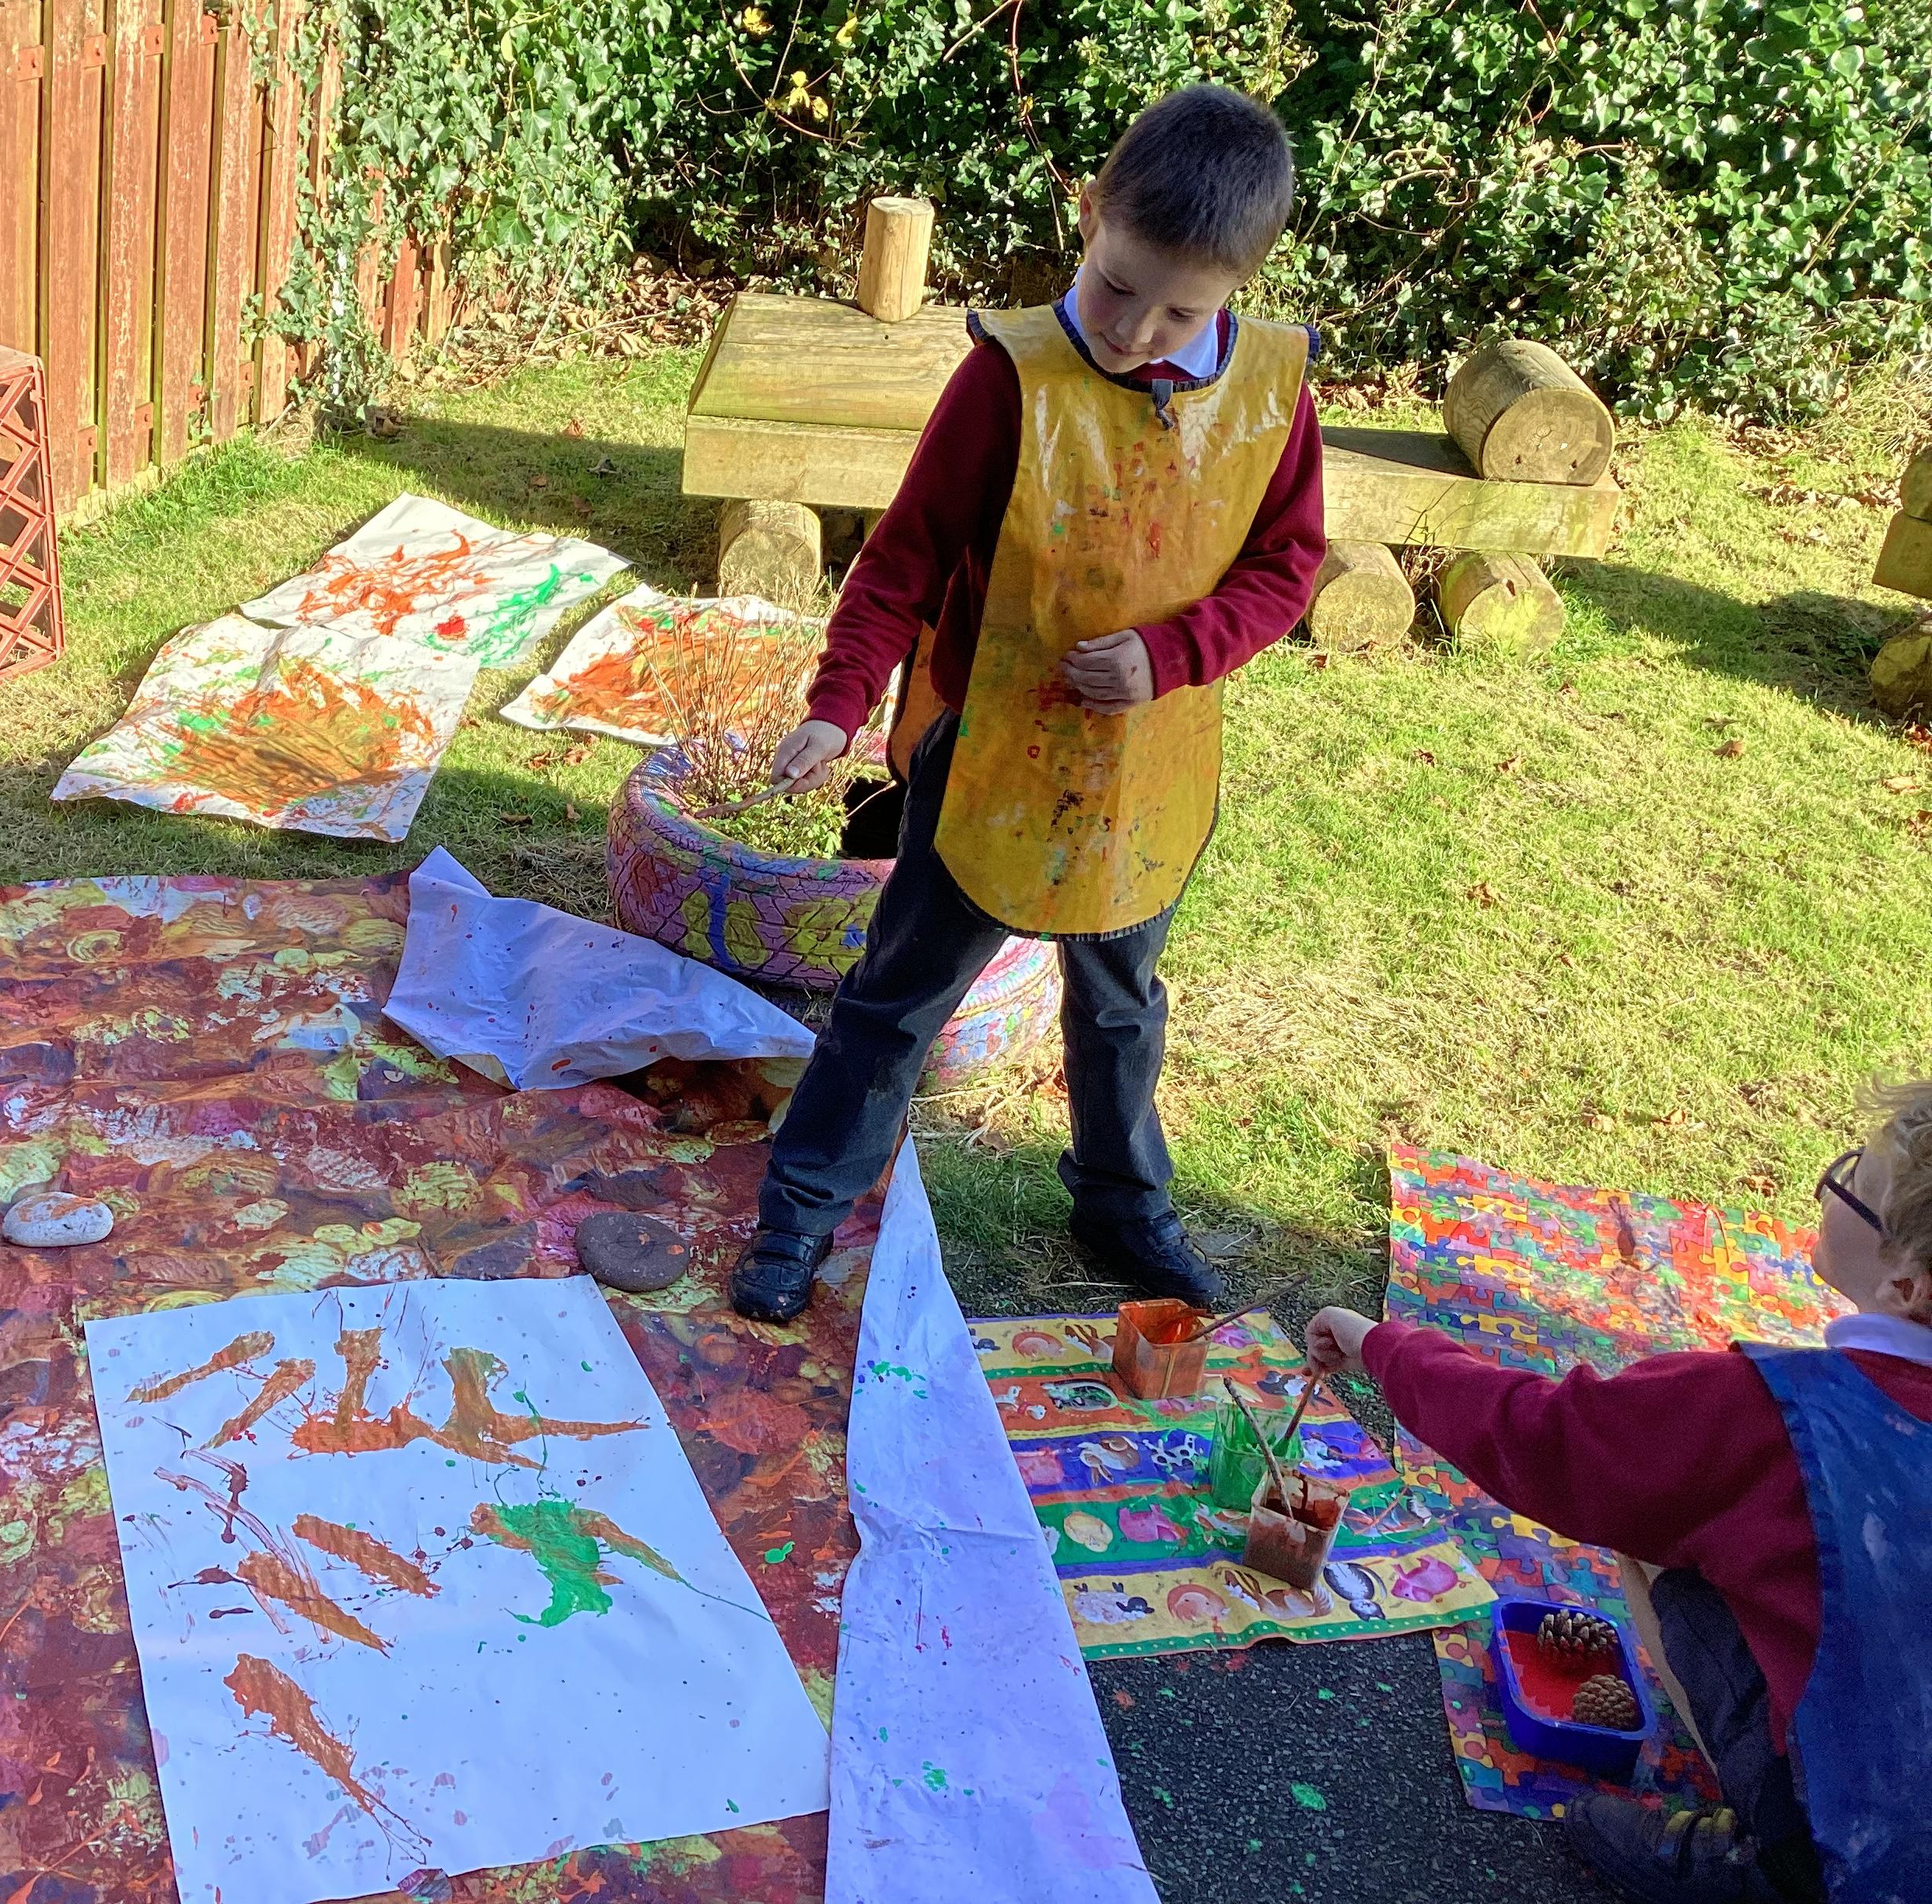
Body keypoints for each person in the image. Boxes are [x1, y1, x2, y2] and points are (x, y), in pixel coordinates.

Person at [728, 84, 1327, 1323]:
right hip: (991, 757)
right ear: (1090, 214)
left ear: (1241, 287)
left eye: (1181, 312)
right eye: (1117, 287)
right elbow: (902, 558)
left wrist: (1174, 654)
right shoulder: (1011, 382)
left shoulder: (1273, 392)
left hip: (1146, 771)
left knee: (1121, 1007)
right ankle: (800, 1213)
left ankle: (1123, 1203)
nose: (1137, 331)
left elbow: (1285, 565)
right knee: (896, 1002)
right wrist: (841, 702)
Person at [1305, 1083, 1932, 1903]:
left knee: (1655, 1521)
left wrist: (1382, 1347)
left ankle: (1773, 1862)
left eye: (1850, 1182)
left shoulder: (1774, 1412)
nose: (1826, 1189)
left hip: (1865, 1848)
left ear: (1908, 1285)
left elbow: (1547, 1439)